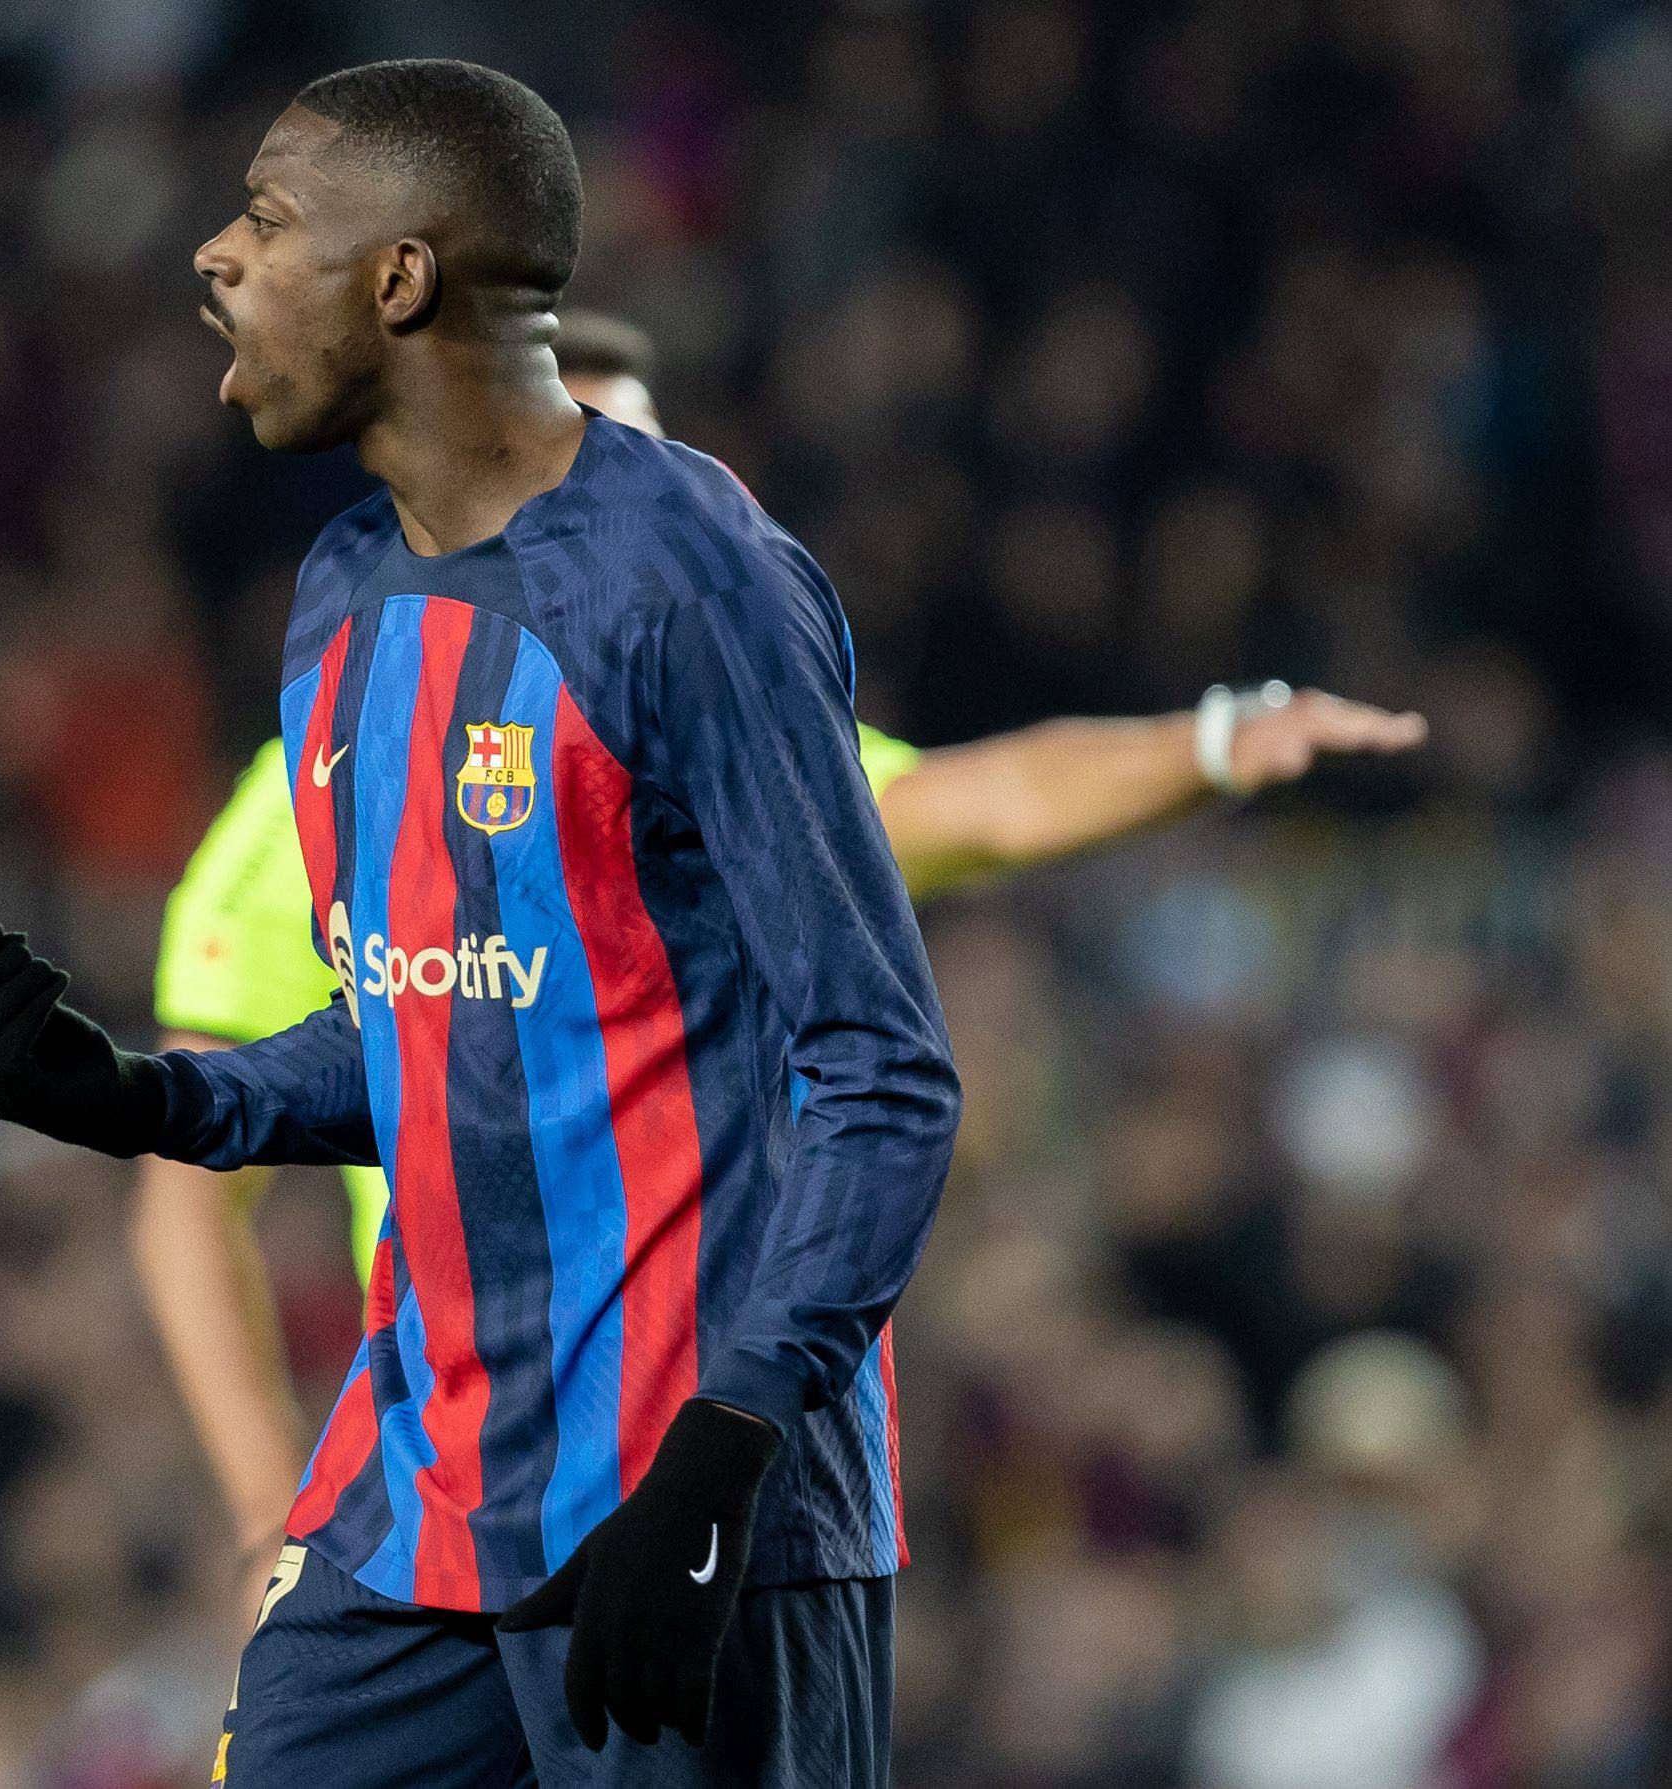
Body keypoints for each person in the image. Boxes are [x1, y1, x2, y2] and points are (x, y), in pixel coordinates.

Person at [0, 58, 955, 1783]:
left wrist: (728, 1448)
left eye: (267, 216)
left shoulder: (687, 580)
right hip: (424, 1506)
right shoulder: (345, 594)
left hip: (694, 1513)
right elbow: (423, 1018)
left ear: (400, 278)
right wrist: (149, 1100)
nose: (214, 255)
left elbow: (882, 1067)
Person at [134, 307, 1427, 1633]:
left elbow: (973, 807)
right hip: (454, 1471)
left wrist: (1214, 744)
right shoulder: (323, 781)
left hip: (705, 1451)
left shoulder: (713, 736)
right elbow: (190, 1189)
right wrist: (257, 1508)